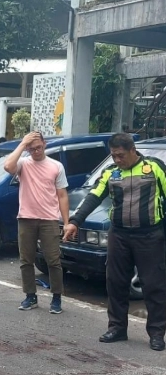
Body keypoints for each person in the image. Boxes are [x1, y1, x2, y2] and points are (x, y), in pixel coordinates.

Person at [63, 133, 166, 351]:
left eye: (120, 156)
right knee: (116, 283)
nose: (117, 160)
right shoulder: (111, 172)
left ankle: (157, 334)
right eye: (113, 156)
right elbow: (93, 196)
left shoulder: (154, 168)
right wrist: (74, 221)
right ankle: (117, 328)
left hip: (149, 236)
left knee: (154, 286)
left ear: (132, 150)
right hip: (119, 235)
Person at [4, 131, 69, 314]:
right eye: (31, 149)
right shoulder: (23, 164)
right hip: (26, 217)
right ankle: (30, 296)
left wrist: (66, 222)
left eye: (38, 147)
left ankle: (56, 297)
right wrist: (22, 144)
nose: (36, 152)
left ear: (45, 144)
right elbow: (8, 166)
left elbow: (62, 195)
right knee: (26, 260)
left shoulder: (56, 166)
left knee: (53, 260)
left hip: (49, 218)